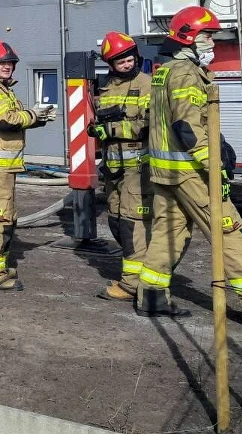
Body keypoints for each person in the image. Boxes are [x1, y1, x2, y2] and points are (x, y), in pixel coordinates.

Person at [136, 5, 242, 328]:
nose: (212, 43)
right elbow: (187, 127)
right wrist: (214, 165)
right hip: (190, 172)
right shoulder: (186, 74)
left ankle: (152, 296)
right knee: (228, 231)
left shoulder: (164, 71)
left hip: (166, 172)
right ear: (187, 37)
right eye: (207, 36)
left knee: (168, 233)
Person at [0, 41, 55, 291]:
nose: (7, 66)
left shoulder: (2, 88)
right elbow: (5, 121)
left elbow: (15, 120)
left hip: (5, 167)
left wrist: (36, 118)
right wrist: (33, 115)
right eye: (1, 63)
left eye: (10, 63)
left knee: (7, 219)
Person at [88, 32, 153, 302]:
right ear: (110, 64)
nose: (126, 64)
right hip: (113, 170)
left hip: (137, 170)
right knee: (116, 222)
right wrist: (96, 129)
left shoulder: (147, 85)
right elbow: (101, 120)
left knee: (132, 225)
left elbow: (148, 124)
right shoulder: (105, 88)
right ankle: (135, 277)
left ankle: (132, 285)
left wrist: (111, 130)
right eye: (120, 61)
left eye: (129, 59)